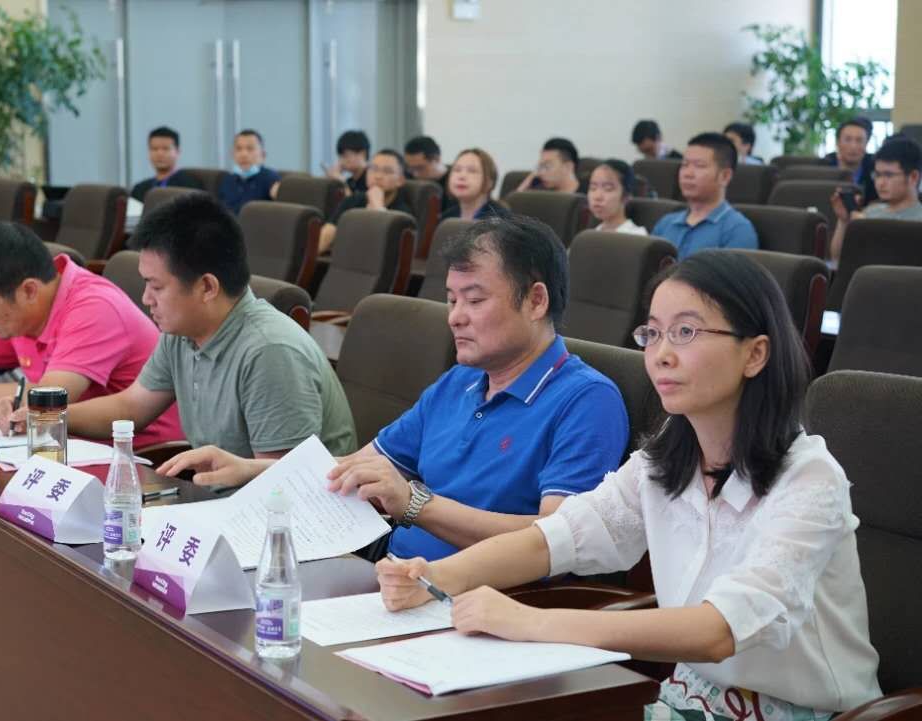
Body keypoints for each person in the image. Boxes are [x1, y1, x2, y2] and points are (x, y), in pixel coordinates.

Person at [376, 250, 880, 719]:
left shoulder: (810, 479)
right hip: (686, 698)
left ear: (755, 354)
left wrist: (530, 622)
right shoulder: (663, 460)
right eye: (653, 334)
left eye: (685, 332)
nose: (661, 354)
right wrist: (435, 577)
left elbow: (719, 630)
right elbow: (552, 539)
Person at [161, 216, 629, 562]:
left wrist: (415, 505)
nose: (455, 317)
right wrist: (249, 469)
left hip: (482, 606)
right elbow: (352, 470)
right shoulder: (460, 382)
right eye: (451, 300)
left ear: (536, 300)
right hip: (388, 573)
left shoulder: (586, 401)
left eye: (475, 300)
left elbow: (554, 539)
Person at [1, 194, 355, 459]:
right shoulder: (182, 334)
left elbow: (281, 484)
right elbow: (131, 408)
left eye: (156, 287)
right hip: (220, 502)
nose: (146, 299)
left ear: (207, 287)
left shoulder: (269, 352)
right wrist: (49, 416)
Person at [0, 221, 183, 448]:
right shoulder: (22, 311)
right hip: (69, 445)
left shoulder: (94, 307)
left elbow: (47, 402)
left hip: (141, 458)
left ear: (28, 290)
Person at [652, 132, 758, 258]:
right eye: (684, 165)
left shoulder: (738, 230)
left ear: (725, 176)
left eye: (699, 166)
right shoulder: (666, 223)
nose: (687, 174)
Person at [830, 135, 922, 260]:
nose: (880, 183)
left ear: (913, 177)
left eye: (888, 175)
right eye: (877, 175)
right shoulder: (870, 212)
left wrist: (869, 228)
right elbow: (837, 259)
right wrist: (843, 221)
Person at [318, 149, 413, 255]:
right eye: (373, 169)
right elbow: (327, 234)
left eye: (387, 171)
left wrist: (378, 208)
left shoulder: (403, 214)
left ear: (400, 180)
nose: (378, 176)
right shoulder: (353, 200)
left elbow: (387, 251)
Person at [216, 129, 281, 214]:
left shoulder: (270, 179)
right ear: (232, 154)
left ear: (263, 155)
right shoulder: (227, 180)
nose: (244, 154)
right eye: (238, 149)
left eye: (250, 149)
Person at [130, 127, 202, 202]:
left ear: (177, 152)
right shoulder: (139, 188)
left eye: (165, 149)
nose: (159, 154)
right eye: (154, 149)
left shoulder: (189, 185)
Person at [439, 148, 508, 221]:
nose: (462, 176)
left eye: (472, 171)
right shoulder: (445, 218)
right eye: (457, 170)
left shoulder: (500, 219)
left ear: (489, 182)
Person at [823, 116, 877, 204]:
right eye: (848, 139)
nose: (853, 146)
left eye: (859, 140)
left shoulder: (875, 168)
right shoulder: (824, 167)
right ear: (838, 143)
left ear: (866, 144)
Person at [586, 159, 647, 235]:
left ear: (626, 196)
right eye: (593, 188)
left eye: (608, 189)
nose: (597, 197)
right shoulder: (590, 235)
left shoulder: (637, 235)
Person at [404, 135, 455, 213]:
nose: (414, 174)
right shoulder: (408, 177)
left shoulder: (455, 183)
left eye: (419, 168)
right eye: (410, 168)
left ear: (437, 159)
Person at [515, 138, 582, 194]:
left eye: (547, 166)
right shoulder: (541, 192)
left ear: (568, 167)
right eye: (540, 166)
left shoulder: (585, 196)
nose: (541, 173)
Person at [324, 129, 371, 194]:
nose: (341, 161)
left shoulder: (371, 179)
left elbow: (353, 200)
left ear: (362, 154)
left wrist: (342, 182)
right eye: (340, 156)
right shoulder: (351, 181)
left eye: (345, 156)